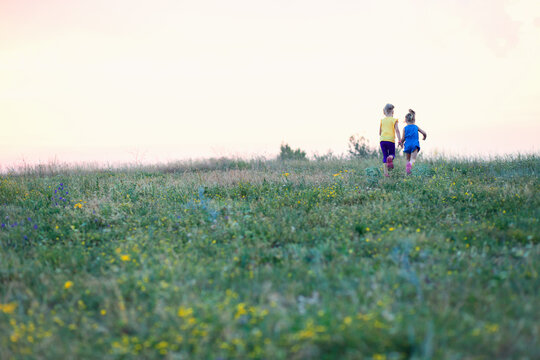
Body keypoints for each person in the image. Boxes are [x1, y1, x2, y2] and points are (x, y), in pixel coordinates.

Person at [399, 109, 427, 174]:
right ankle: (410, 165)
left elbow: (403, 138)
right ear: (414, 120)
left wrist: (401, 143)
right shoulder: (416, 127)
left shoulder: (405, 128)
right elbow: (424, 133)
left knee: (407, 160)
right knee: (413, 159)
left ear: (406, 120)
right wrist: (424, 137)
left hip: (407, 145)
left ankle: (408, 172)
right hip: (414, 145)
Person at [379, 103, 402, 177]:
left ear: (384, 112)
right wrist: (400, 141)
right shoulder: (394, 120)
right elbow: (397, 131)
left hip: (382, 140)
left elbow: (379, 133)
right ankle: (390, 158)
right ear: (393, 112)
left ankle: (386, 174)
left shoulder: (382, 121)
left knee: (385, 156)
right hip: (390, 140)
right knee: (392, 154)